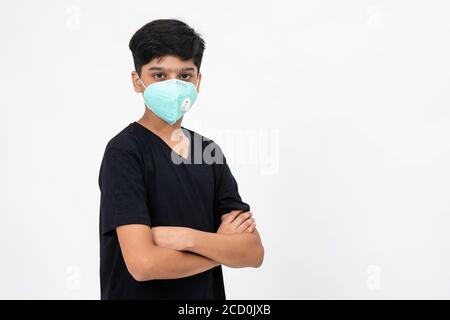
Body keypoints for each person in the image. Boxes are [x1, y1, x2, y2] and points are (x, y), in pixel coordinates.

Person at [98, 19, 264, 300]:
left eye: (185, 76)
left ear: (198, 80)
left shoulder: (208, 152)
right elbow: (143, 264)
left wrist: (186, 238)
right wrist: (221, 248)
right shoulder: (125, 152)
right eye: (159, 75)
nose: (174, 86)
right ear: (137, 81)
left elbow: (253, 252)